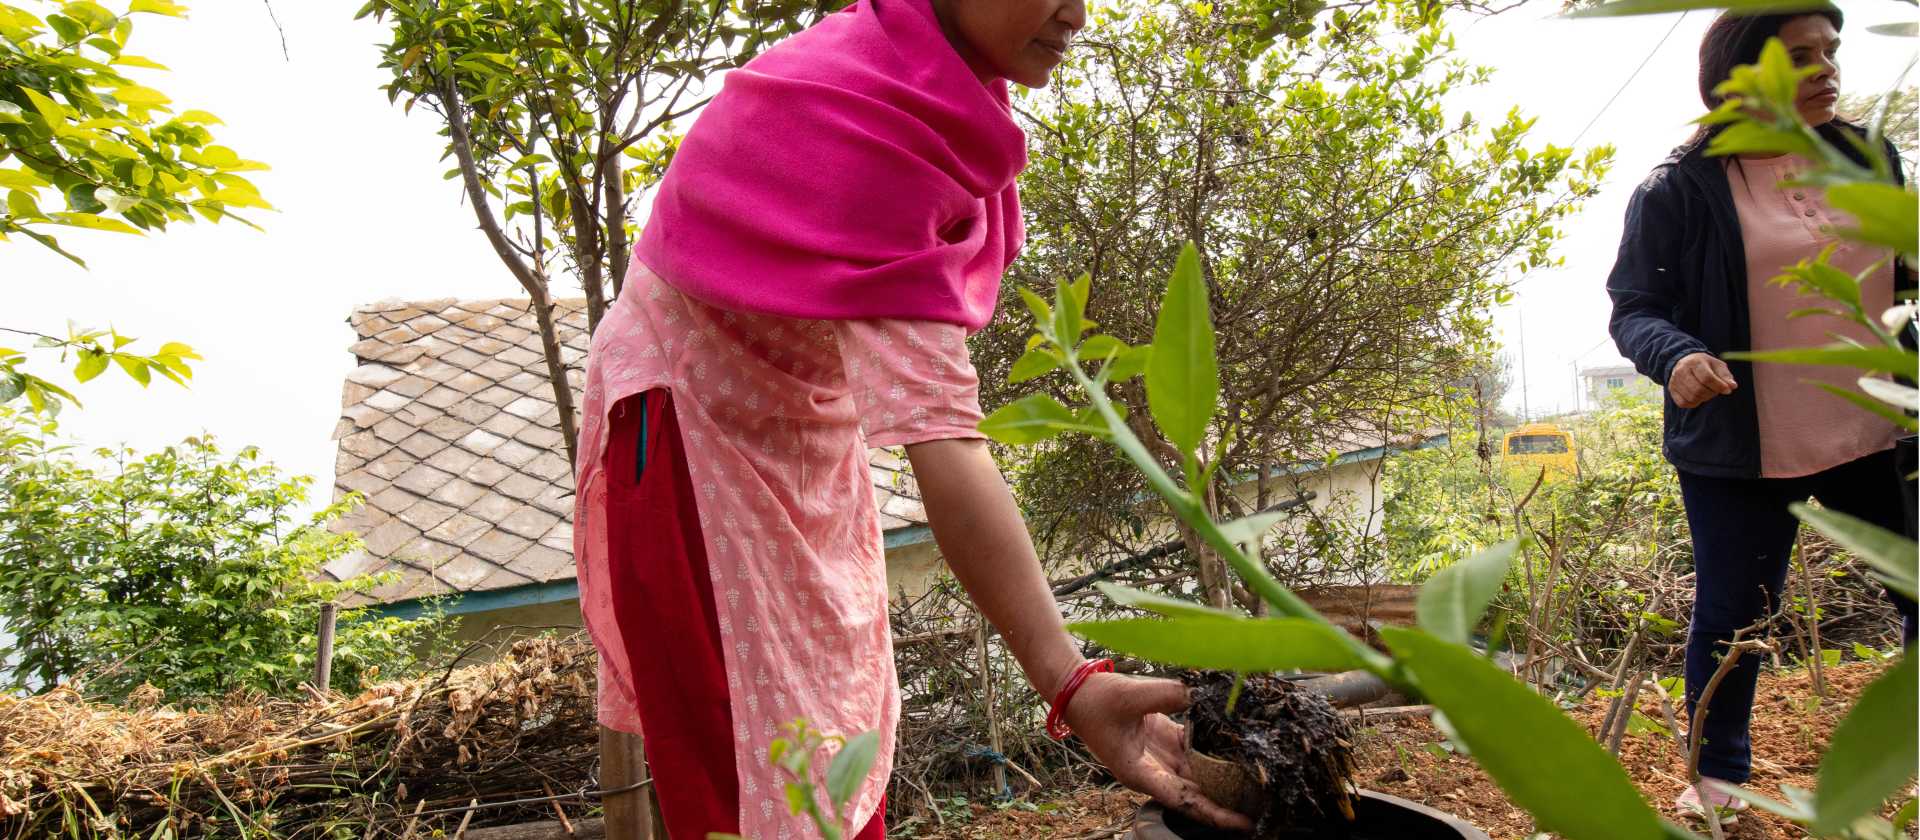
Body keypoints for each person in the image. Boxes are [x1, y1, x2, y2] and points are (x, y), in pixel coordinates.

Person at [569, 0, 1250, 836]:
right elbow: (949, 447)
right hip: (692, 444)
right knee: (760, 780)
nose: (1077, 12)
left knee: (835, 733)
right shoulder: (861, 124)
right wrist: (1071, 683)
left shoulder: (934, 93)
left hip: (798, 437)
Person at [1606, 6, 1916, 822]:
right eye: (1799, 56)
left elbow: (1902, 275)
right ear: (1740, 76)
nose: (1826, 69)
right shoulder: (1680, 188)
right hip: (1745, 446)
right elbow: (1635, 307)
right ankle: (1716, 783)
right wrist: (1676, 358)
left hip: (1881, 429)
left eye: (1831, 52)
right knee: (1733, 620)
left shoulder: (1868, 157)